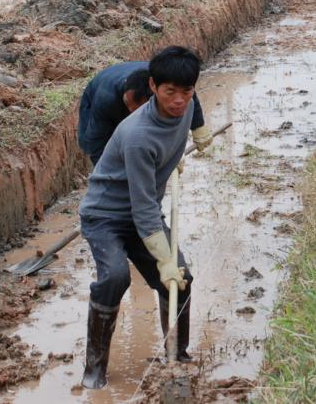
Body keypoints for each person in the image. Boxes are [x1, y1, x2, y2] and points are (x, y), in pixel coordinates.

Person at [79, 46, 202, 389]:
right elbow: (144, 208)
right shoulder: (137, 135)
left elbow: (190, 110)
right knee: (115, 277)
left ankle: (177, 356)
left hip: (141, 213)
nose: (179, 100)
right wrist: (163, 259)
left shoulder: (188, 104)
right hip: (106, 216)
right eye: (170, 91)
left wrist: (179, 150)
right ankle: (94, 368)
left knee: (181, 279)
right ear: (152, 86)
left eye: (186, 91)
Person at [78, 61, 211, 165]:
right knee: (91, 142)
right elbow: (97, 144)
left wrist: (197, 126)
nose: (131, 111)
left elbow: (185, 91)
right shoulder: (106, 99)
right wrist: (107, 174)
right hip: (101, 89)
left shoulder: (164, 82)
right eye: (128, 104)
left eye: (136, 110)